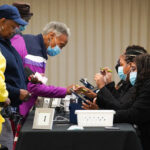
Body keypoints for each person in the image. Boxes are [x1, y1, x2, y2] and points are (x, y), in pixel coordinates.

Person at [82, 54, 150, 150]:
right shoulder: (140, 85)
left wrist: (102, 114)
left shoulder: (146, 86)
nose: (131, 72)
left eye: (134, 69)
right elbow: (123, 105)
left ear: (144, 70)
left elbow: (131, 113)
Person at [11, 21, 72, 117]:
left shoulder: (28, 40)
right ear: (51, 35)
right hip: (14, 105)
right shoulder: (35, 53)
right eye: (61, 45)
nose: (60, 49)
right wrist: (65, 91)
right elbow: (34, 87)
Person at [0, 4, 30, 150]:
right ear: (2, 22)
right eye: (12, 26)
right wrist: (16, 92)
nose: (14, 31)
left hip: (10, 108)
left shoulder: (7, 44)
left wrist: (28, 78)